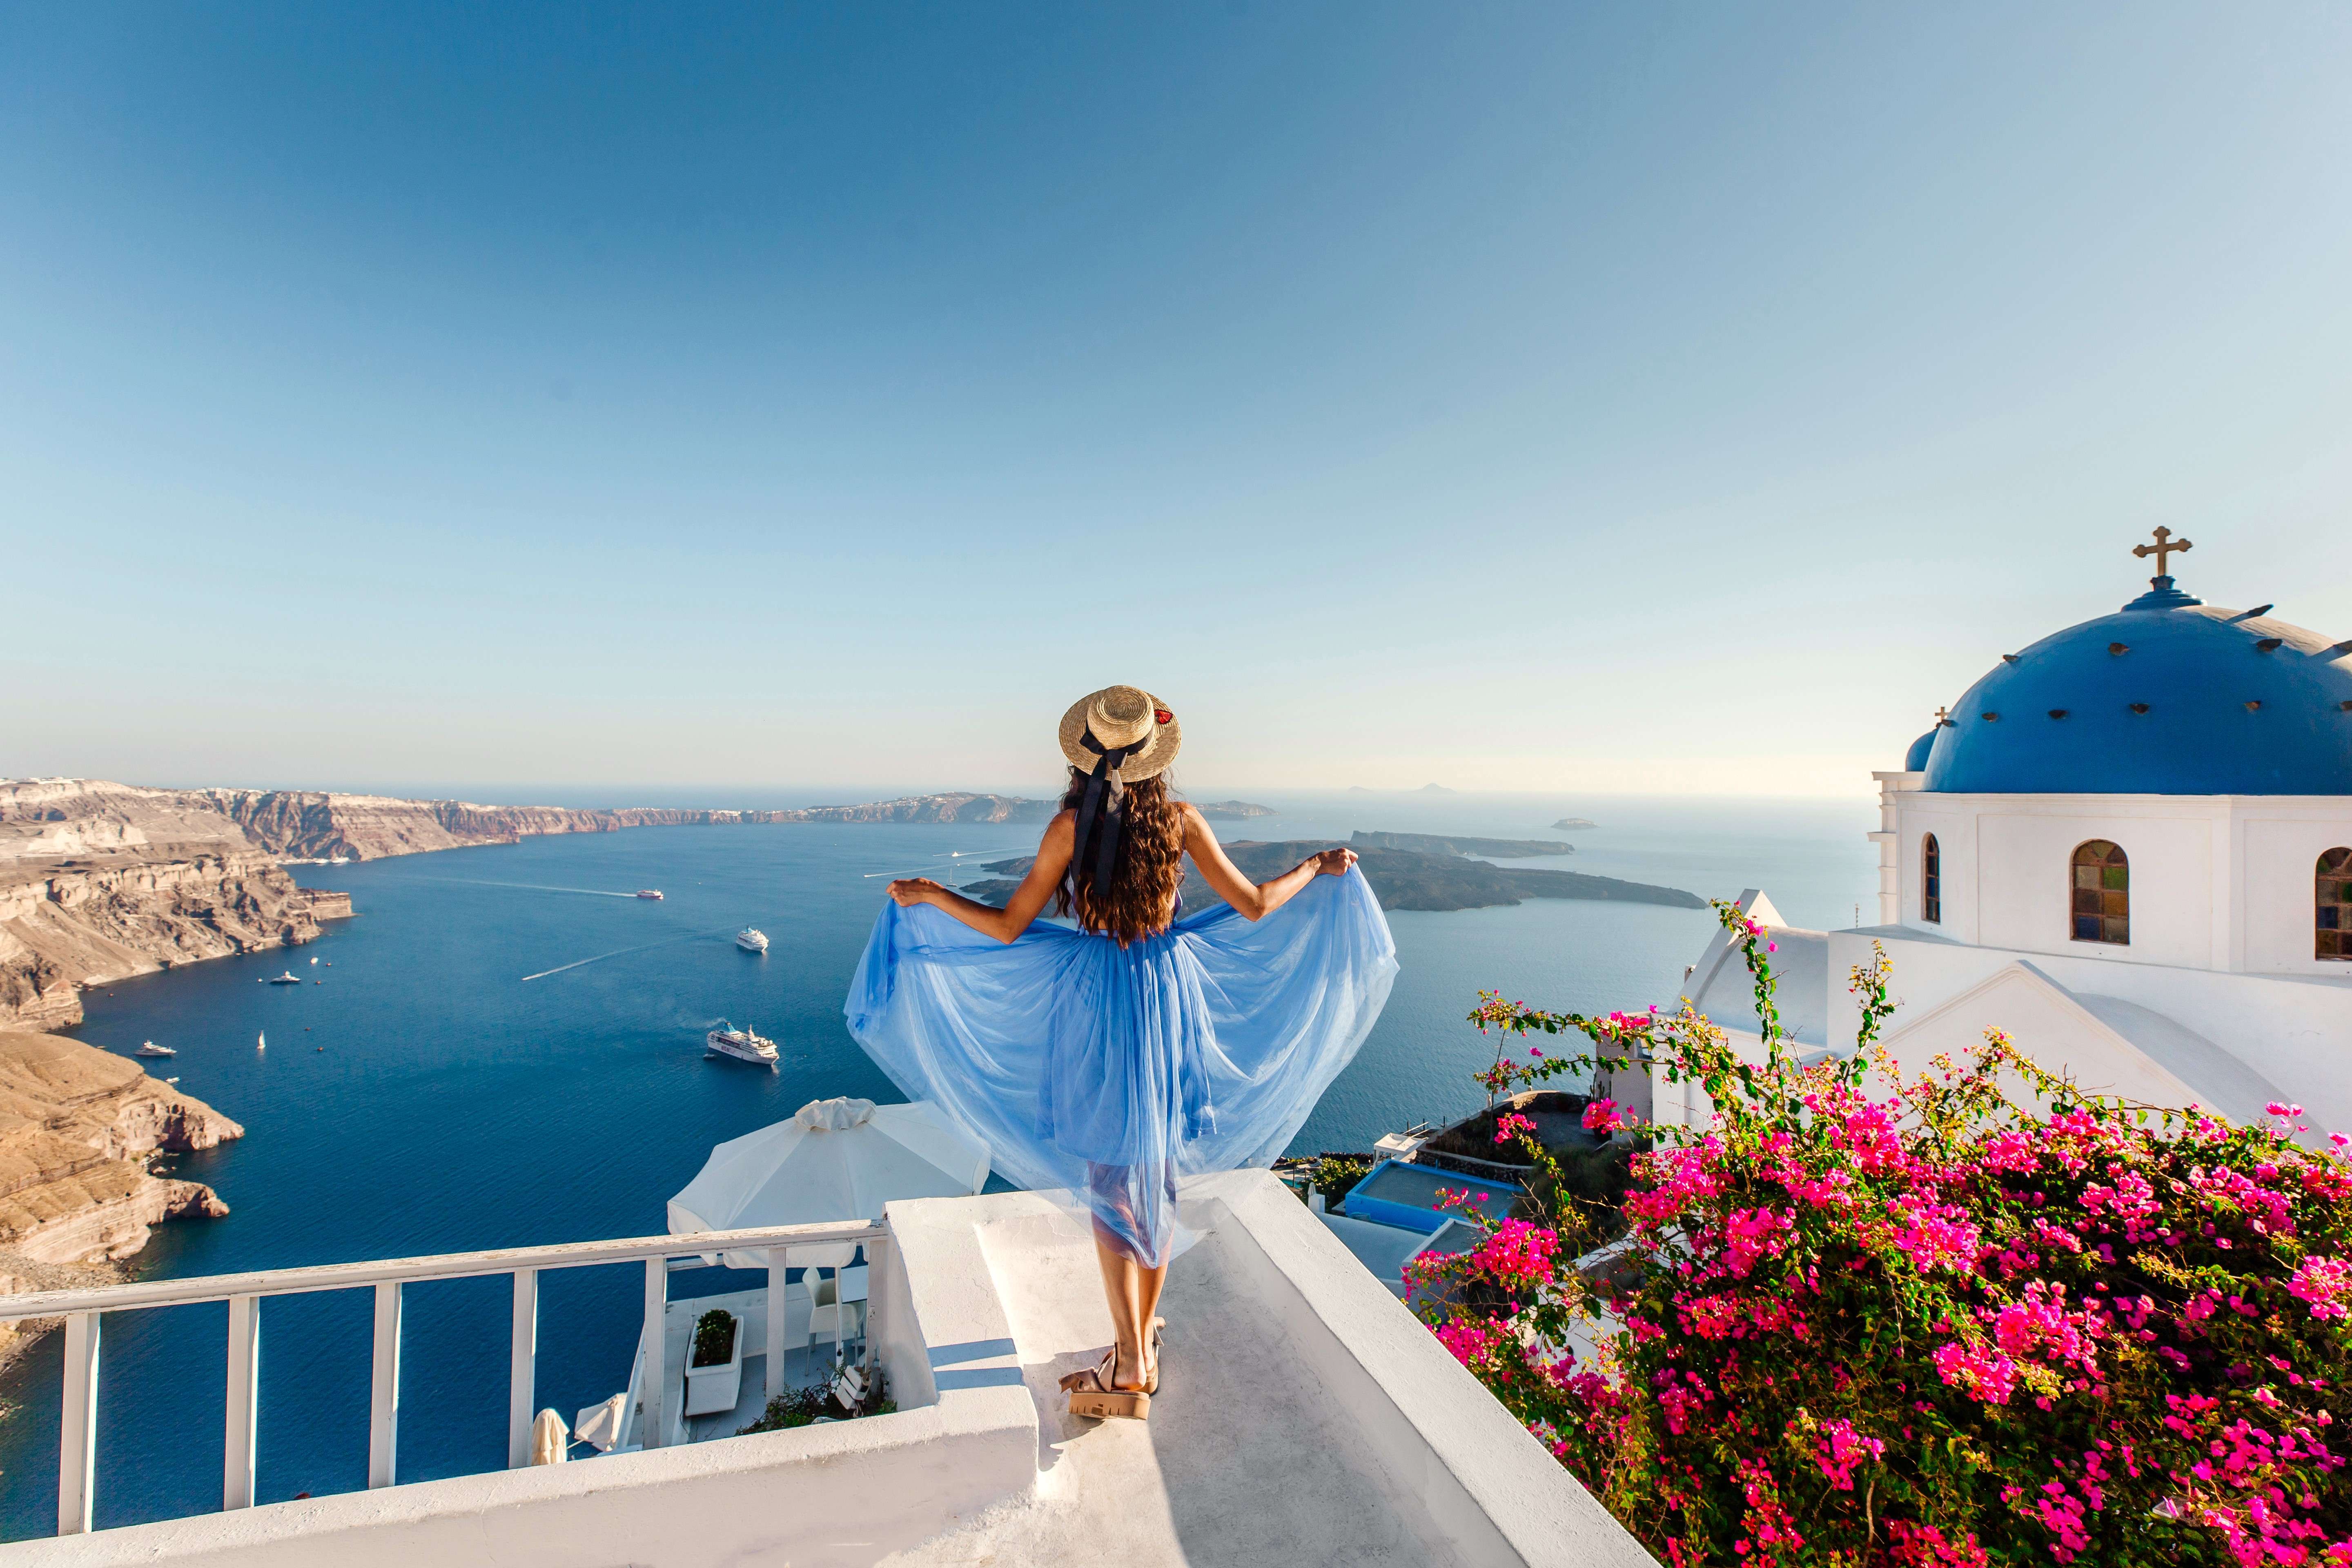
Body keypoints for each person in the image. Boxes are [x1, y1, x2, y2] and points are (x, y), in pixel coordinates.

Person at [845, 685, 1397, 1421]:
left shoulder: (1069, 828)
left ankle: (1132, 1361)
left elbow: (1010, 927)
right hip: (1165, 995)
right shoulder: (1181, 820)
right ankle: (1142, 1335)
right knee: (1156, 1169)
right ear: (1155, 758)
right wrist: (1318, 865)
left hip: (1097, 999)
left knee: (1112, 1177)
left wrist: (933, 894)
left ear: (1084, 758)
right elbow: (1260, 904)